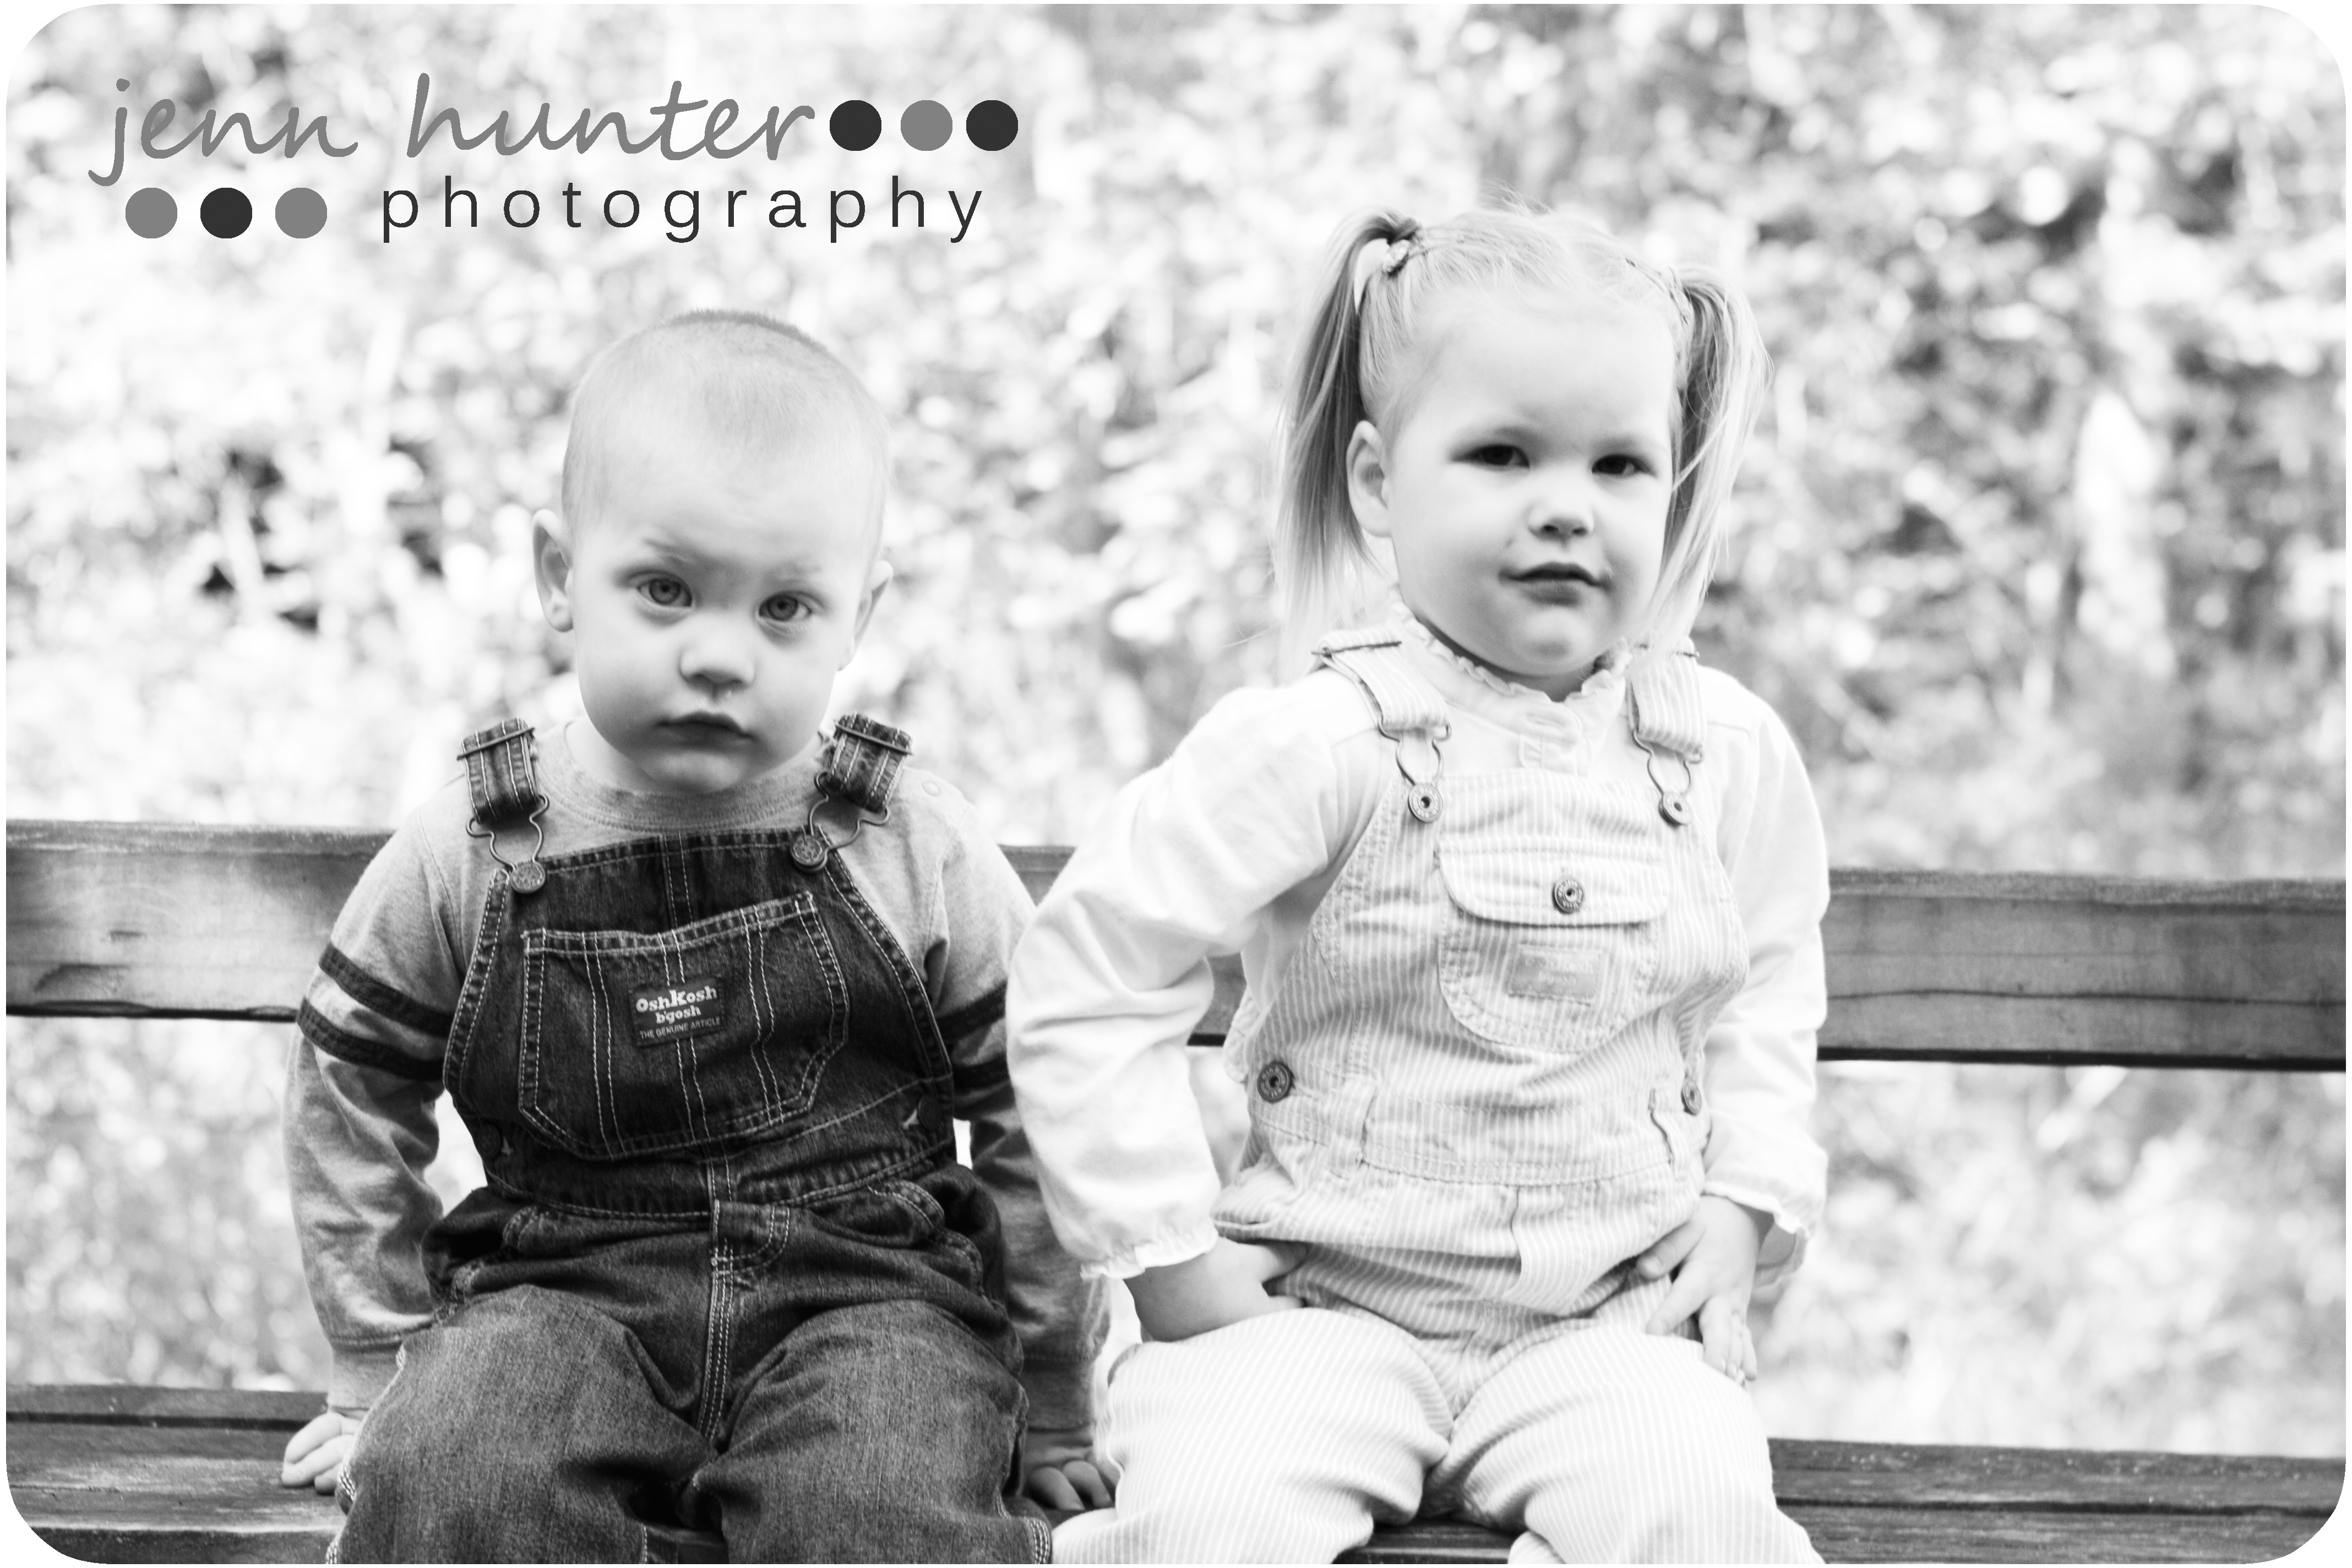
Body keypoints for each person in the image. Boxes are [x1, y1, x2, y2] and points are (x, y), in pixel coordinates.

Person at [1007, 208, 1829, 1563]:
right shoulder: (1324, 743)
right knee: (1211, 1522)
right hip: (1317, 1316)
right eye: (1504, 454)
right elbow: (1094, 966)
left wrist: (1746, 1197)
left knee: (1701, 1520)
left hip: (1603, 1330)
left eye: (1620, 464)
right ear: (1380, 483)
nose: (1566, 503)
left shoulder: (1720, 754)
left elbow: (1769, 985)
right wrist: (1169, 1258)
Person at [277, 310, 1106, 1561]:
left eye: (785, 606)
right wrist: (375, 1359)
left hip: (869, 1299)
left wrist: (1051, 1393)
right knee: (453, 1479)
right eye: (665, 589)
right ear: (561, 575)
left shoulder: (910, 841)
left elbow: (1034, 1104)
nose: (720, 654)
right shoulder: (475, 843)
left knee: (883, 1504)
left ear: (859, 617)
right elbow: (348, 1072)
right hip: (560, 1296)